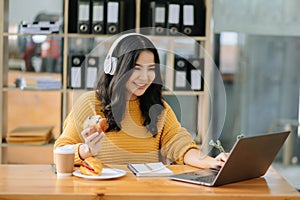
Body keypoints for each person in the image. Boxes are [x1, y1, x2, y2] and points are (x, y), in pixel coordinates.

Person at [54, 33, 227, 169]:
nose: (145, 77)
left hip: (145, 192)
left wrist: (212, 162)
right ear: (114, 68)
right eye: (136, 69)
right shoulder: (89, 103)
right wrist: (86, 150)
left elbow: (181, 147)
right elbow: (59, 151)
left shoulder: (159, 109)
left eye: (151, 69)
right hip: (100, 193)